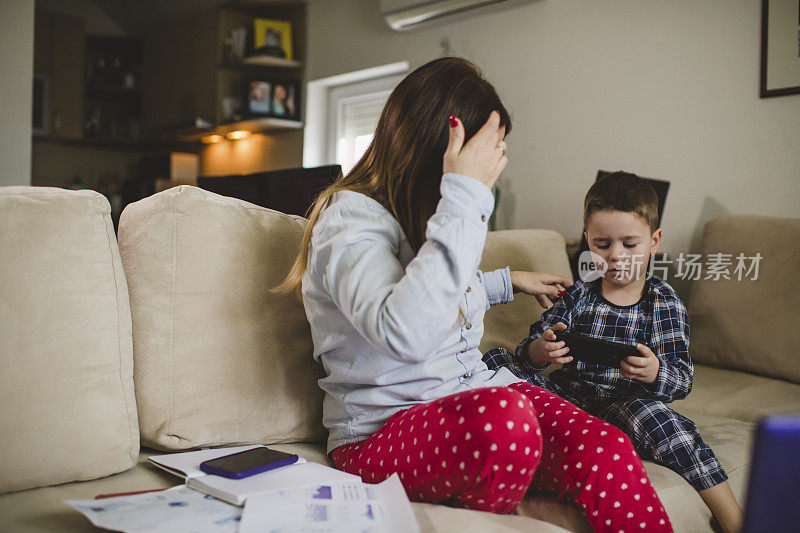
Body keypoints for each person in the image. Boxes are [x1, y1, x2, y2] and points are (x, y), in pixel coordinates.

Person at [277, 58, 672, 533]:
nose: (494, 172)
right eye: (490, 155)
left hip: (471, 394)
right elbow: (405, 331)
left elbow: (441, 291)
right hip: (380, 432)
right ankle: (518, 511)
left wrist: (506, 281)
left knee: (606, 447)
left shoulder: (428, 214)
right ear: (440, 146)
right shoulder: (350, 220)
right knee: (506, 421)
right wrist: (463, 194)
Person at [485, 172, 741, 533]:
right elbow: (529, 350)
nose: (616, 256)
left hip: (626, 403)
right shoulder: (578, 294)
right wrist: (542, 350)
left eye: (630, 244)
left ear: (654, 241)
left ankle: (734, 518)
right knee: (496, 359)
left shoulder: (663, 302)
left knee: (663, 421)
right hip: (567, 402)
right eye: (603, 244)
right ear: (588, 239)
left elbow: (681, 380)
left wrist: (653, 371)